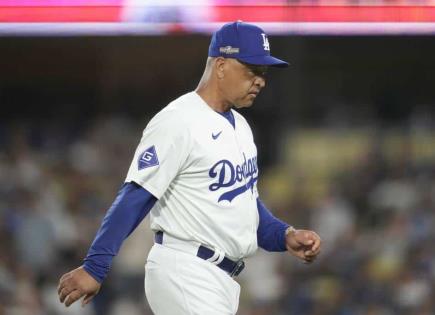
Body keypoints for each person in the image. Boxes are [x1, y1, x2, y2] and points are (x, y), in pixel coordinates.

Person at [57, 21, 322, 315]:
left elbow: (244, 206)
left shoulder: (242, 128)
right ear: (221, 65)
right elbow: (135, 195)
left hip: (219, 278)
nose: (260, 81)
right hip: (185, 269)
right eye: (252, 70)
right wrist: (96, 266)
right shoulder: (178, 120)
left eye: (263, 73)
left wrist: (285, 236)